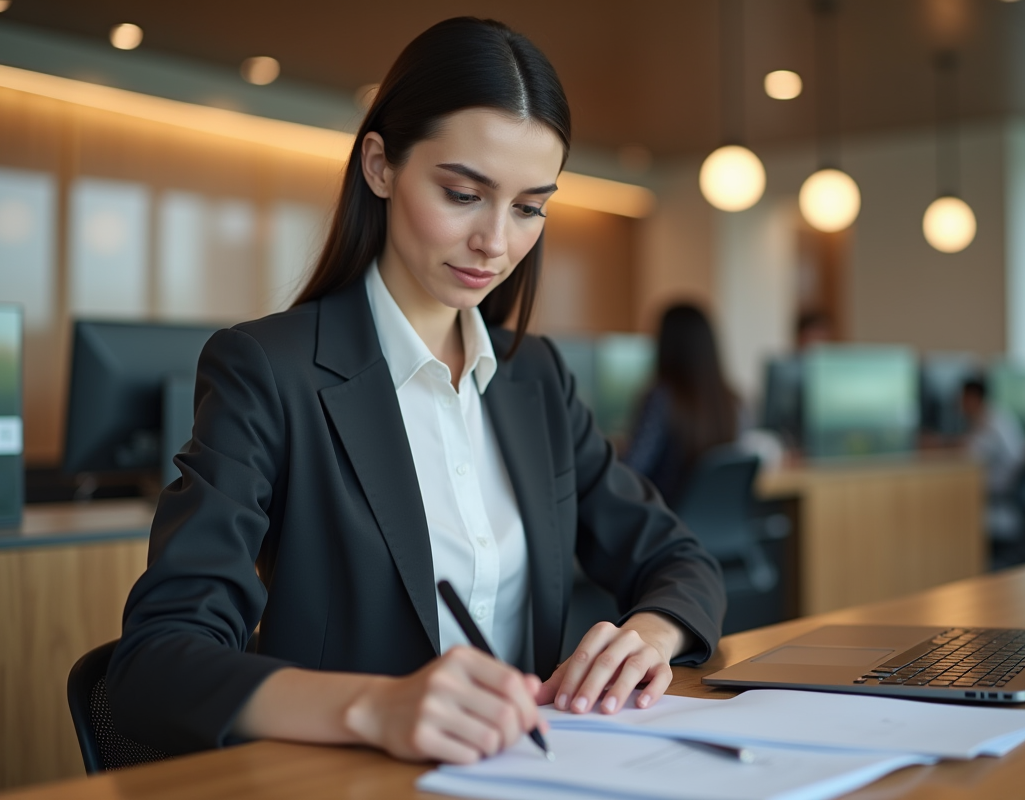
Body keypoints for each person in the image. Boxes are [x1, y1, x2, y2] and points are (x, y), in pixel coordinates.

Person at [106, 18, 724, 766]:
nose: (496, 242)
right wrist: (374, 707)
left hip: (529, 772)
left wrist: (649, 635)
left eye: (529, 207)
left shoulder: (534, 377)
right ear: (380, 166)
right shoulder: (269, 371)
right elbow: (156, 664)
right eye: (463, 193)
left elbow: (679, 558)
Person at [623, 304, 744, 507]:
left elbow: (631, 469)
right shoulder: (733, 402)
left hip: (665, 516)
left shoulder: (661, 397)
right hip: (714, 519)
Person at [960, 376, 1025, 546]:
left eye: (962, 399)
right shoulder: (997, 414)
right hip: (1009, 491)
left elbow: (970, 452)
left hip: (999, 495)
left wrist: (938, 443)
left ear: (973, 398)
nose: (959, 405)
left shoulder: (989, 423)